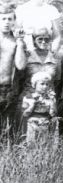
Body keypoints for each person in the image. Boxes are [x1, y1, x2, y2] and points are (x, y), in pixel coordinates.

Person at [14, 27, 60, 133]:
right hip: (29, 99)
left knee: (46, 133)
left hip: (47, 100)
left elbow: (57, 80)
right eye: (40, 39)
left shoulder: (55, 57)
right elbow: (20, 68)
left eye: (46, 39)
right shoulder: (28, 55)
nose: (43, 42)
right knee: (25, 133)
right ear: (34, 40)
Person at [21, 71, 56, 146]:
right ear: (34, 85)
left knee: (44, 146)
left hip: (45, 126)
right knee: (31, 145)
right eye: (42, 84)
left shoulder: (50, 98)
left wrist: (52, 104)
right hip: (32, 125)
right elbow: (25, 114)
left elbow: (53, 115)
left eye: (47, 84)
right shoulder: (28, 97)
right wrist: (32, 105)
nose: (45, 86)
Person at [0, 6, 18, 136]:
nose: (6, 22)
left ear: (14, 22)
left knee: (7, 127)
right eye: (3, 19)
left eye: (9, 19)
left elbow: (21, 65)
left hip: (8, 88)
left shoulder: (16, 41)